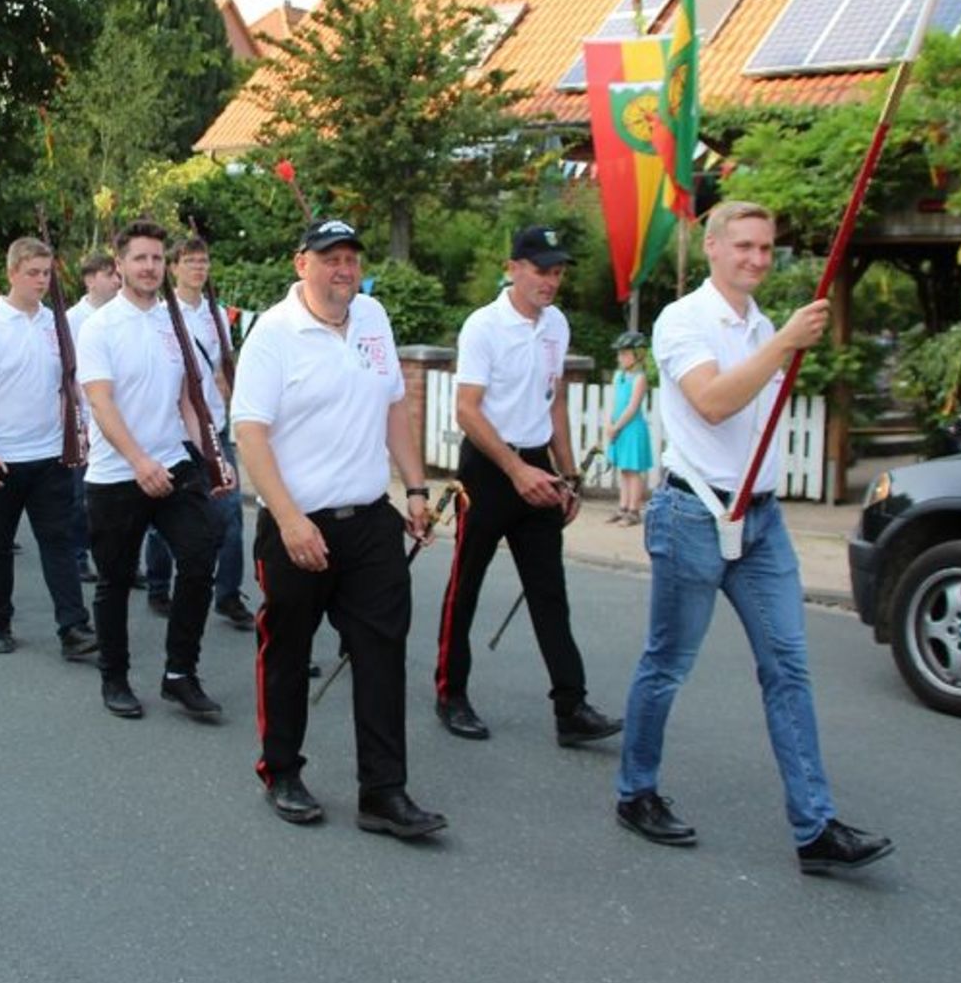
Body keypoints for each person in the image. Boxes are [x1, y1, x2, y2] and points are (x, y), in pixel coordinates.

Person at [614, 200, 892, 876]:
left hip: (761, 522)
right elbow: (712, 402)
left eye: (766, 247)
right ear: (712, 246)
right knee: (668, 662)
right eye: (743, 245)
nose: (757, 259)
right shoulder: (683, 320)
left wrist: (777, 341)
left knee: (788, 667)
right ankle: (636, 791)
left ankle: (815, 825)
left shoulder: (763, 325)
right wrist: (783, 345)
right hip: (693, 514)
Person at [233, 219, 446, 840]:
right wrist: (289, 519)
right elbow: (250, 433)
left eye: (351, 258)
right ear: (302, 263)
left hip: (370, 522)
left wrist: (414, 489)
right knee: (288, 652)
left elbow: (393, 406)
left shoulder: (373, 318)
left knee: (381, 654)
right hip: (297, 525)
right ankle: (281, 771)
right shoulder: (273, 333)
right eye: (331, 258)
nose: (344, 269)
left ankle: (383, 792)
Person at [435, 226, 622, 749]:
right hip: (489, 468)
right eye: (542, 270)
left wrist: (570, 476)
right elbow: (467, 410)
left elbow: (554, 401)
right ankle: (451, 693)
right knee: (466, 584)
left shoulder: (556, 324)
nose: (551, 281)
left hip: (539, 464)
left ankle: (571, 705)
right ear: (513, 268)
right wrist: (516, 470)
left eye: (558, 272)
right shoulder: (484, 326)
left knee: (548, 590)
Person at [77, 221, 226, 720]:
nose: (150, 267)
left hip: (174, 464)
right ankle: (114, 677)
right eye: (140, 258)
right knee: (115, 580)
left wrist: (211, 457)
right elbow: (101, 403)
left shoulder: (173, 323)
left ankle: (180, 673)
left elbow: (187, 400)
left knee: (200, 557)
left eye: (157, 259)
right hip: (116, 475)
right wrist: (139, 461)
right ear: (119, 264)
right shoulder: (99, 327)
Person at [0, 238, 97, 661]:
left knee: (58, 541)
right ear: (12, 273)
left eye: (46, 273)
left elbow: (70, 383)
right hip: (0, 457)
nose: (41, 280)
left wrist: (82, 428)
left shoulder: (57, 324)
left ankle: (73, 626)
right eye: (33, 273)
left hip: (50, 455)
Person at [140, 235, 251, 630]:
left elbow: (221, 367)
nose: (198, 268)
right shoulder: (160, 315)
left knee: (231, 513)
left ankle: (228, 594)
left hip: (213, 426)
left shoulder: (217, 314)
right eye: (190, 261)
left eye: (203, 261)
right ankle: (158, 585)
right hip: (172, 431)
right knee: (165, 514)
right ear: (173, 268)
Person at [63, 251, 120, 584]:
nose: (116, 281)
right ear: (90, 280)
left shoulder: (120, 315)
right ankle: (78, 555)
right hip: (84, 416)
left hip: (115, 418)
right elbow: (68, 372)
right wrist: (76, 418)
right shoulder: (73, 318)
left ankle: (118, 557)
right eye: (108, 274)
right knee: (80, 496)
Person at [604, 332, 654, 524]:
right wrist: (609, 423)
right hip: (619, 428)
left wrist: (616, 426)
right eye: (620, 354)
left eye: (625, 354)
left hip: (632, 428)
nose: (621, 358)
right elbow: (614, 402)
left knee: (633, 471)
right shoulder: (619, 376)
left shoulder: (639, 378)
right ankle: (622, 507)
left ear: (637, 355)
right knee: (624, 469)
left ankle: (634, 510)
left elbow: (633, 407)